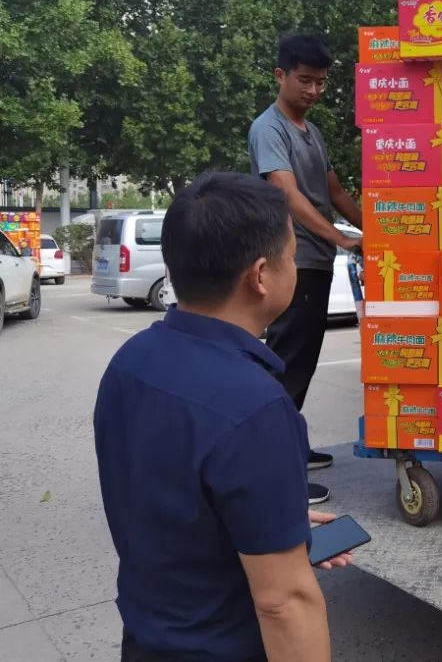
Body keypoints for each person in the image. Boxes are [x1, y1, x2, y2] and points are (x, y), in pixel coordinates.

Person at [94, 172, 351, 662]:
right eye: (292, 254)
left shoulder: (131, 361)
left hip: (146, 641)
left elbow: (166, 495)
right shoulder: (256, 406)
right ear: (260, 275)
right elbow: (285, 602)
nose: (295, 267)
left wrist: (274, 519)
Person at [249, 33, 364, 505]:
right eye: (305, 80)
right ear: (281, 75)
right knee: (288, 364)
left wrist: (381, 229)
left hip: (315, 261)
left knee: (303, 362)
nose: (314, 90)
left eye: (320, 82)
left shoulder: (310, 132)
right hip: (291, 262)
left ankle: (289, 447)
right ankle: (273, 475)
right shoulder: (269, 128)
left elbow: (334, 192)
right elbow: (286, 193)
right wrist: (341, 238)